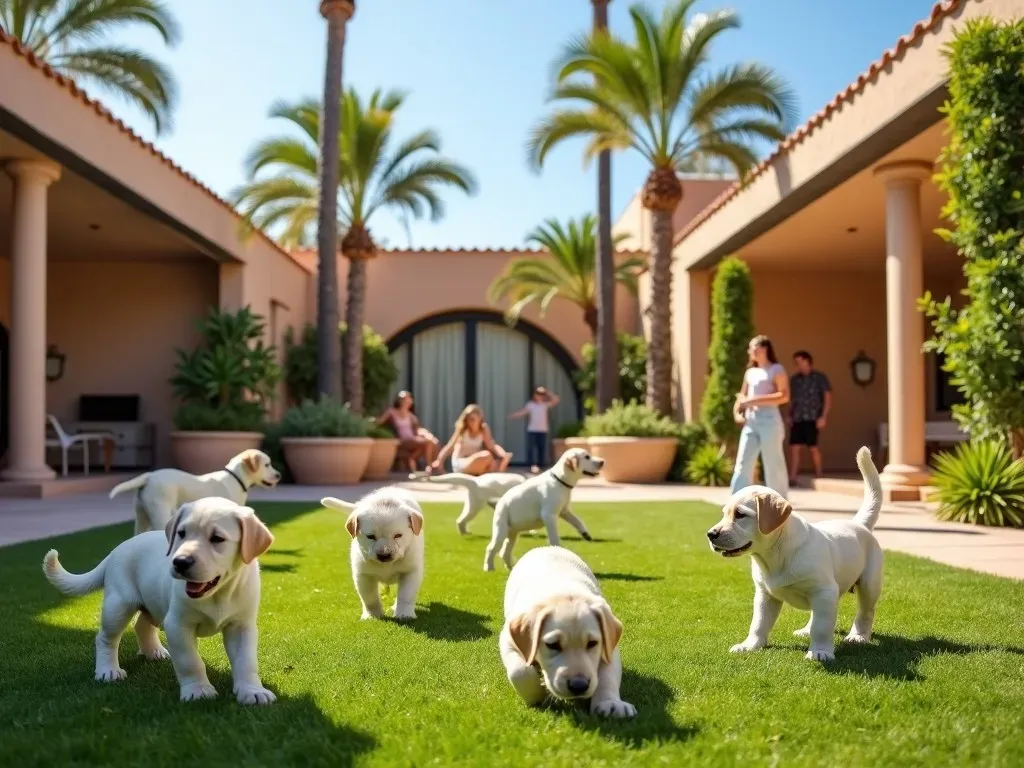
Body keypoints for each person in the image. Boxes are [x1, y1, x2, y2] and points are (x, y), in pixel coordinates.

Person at [730, 335, 791, 498]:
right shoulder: (750, 372)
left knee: (773, 463)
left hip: (769, 421)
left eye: (753, 347)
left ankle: (779, 503)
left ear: (764, 349)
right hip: (751, 422)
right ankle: (736, 501)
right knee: (743, 463)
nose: (750, 351)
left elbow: (784, 396)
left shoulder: (776, 369)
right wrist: (737, 412)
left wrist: (752, 400)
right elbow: (741, 396)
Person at [787, 350, 832, 484]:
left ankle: (819, 474)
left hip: (813, 417)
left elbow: (828, 398)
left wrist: (823, 417)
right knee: (794, 447)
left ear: (808, 361)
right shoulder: (795, 380)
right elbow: (792, 400)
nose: (798, 365)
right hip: (798, 417)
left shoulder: (819, 377)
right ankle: (793, 477)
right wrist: (789, 416)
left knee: (813, 447)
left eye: (800, 362)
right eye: (796, 363)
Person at [430, 404, 512, 476]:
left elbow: (492, 445)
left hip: (476, 460)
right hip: (461, 462)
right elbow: (450, 446)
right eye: (469, 419)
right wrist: (439, 461)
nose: (470, 422)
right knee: (486, 455)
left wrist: (503, 455)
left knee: (492, 461)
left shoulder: (484, 429)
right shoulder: (462, 429)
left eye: (473, 419)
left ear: (479, 419)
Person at [376, 391, 440, 472]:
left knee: (432, 443)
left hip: (412, 439)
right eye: (403, 398)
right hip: (402, 440)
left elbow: (418, 430)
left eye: (408, 398)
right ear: (399, 400)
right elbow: (380, 422)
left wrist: (427, 434)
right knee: (428, 442)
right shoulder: (392, 412)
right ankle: (429, 466)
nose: (406, 400)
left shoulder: (411, 416)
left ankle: (414, 460)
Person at [508, 386, 560, 474]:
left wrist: (547, 392)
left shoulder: (545, 405)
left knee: (541, 449)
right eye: (538, 393)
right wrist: (514, 416)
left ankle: (541, 466)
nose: (540, 396)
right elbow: (523, 412)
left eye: (542, 394)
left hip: (543, 430)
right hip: (532, 430)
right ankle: (532, 466)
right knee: (531, 449)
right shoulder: (531, 405)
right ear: (534, 395)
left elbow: (556, 400)